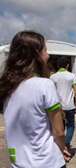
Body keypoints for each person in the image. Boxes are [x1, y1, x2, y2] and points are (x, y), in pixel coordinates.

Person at [0, 31, 70, 167]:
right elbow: (59, 131)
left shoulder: (6, 87)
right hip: (47, 162)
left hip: (19, 162)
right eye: (45, 50)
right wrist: (62, 149)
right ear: (36, 55)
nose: (48, 55)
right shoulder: (44, 85)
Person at [50, 57, 76, 149]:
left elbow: (51, 92)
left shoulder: (53, 77)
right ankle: (66, 143)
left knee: (60, 127)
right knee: (70, 125)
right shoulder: (72, 76)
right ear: (67, 65)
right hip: (70, 106)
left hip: (57, 107)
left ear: (58, 65)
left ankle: (60, 145)